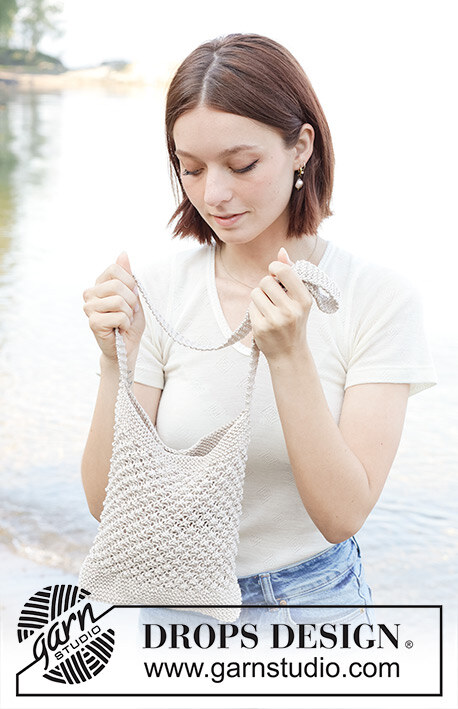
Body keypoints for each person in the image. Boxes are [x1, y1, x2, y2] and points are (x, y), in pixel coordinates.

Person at [81, 34, 437, 630]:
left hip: (313, 608)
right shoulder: (158, 291)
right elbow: (104, 505)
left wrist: (290, 355)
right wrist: (116, 360)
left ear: (301, 147)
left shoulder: (376, 298)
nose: (213, 194)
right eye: (191, 169)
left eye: (242, 165)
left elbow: (342, 516)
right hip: (171, 604)